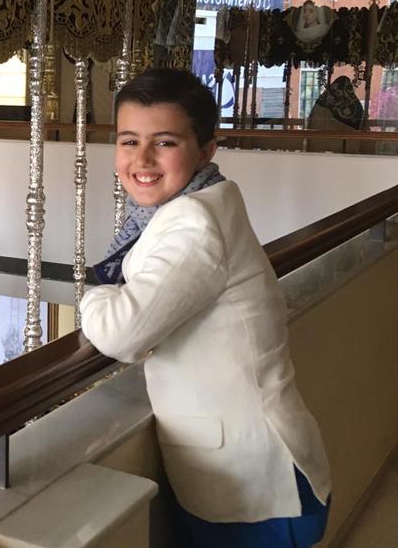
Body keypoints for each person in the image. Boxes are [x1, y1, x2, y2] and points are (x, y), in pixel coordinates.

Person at [81, 69, 331, 547]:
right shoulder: (204, 201)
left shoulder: (194, 223)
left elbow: (119, 334)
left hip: (255, 488)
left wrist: (93, 292)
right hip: (244, 472)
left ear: (205, 150)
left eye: (166, 142)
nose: (142, 159)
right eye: (129, 140)